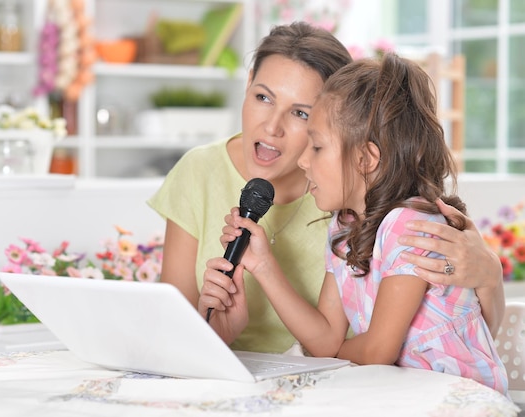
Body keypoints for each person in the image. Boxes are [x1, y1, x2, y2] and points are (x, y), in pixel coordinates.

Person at [148, 22, 504, 354]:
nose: (272, 127)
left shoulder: (362, 203)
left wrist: (489, 275)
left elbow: (460, 330)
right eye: (263, 97)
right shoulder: (202, 172)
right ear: (248, 84)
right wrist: (215, 332)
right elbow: (173, 333)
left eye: (301, 114)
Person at [204, 53, 508, 393]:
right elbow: (325, 337)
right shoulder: (344, 226)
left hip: (457, 396)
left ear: (365, 158)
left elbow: (377, 350)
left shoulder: (408, 224)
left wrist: (331, 357)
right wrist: (262, 264)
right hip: (402, 392)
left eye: (317, 147)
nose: (304, 161)